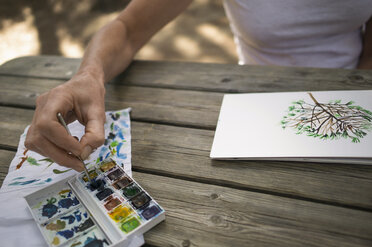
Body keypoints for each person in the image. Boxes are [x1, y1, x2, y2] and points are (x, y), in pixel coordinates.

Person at [25, 0, 372, 171]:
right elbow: (129, 29)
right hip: (255, 109)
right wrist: (88, 75)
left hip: (356, 99)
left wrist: (354, 90)